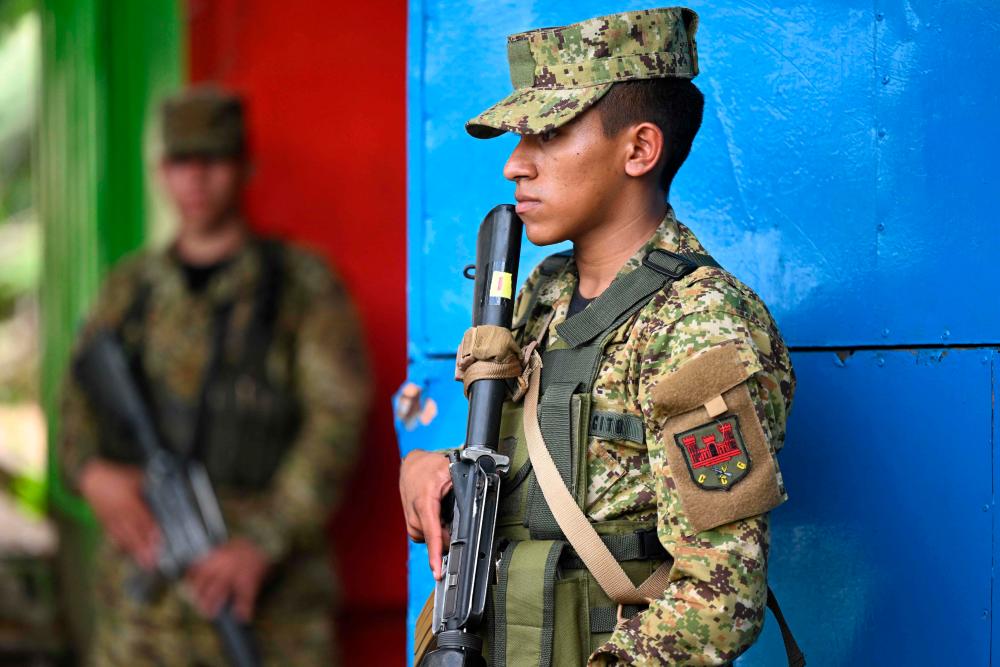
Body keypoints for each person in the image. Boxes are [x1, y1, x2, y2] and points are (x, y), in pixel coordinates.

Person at [400, 7, 798, 666]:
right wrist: (430, 466)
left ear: (639, 149)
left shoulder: (698, 324)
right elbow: (555, 470)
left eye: (547, 135)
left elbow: (719, 602)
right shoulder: (544, 295)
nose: (515, 166)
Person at [59, 86, 371, 666]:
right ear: (161, 172)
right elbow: (75, 406)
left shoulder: (301, 287)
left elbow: (337, 423)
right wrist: (92, 472)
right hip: (143, 613)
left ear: (244, 167)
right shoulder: (129, 290)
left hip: (268, 601)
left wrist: (262, 542)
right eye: (182, 162)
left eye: (214, 160)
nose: (196, 179)